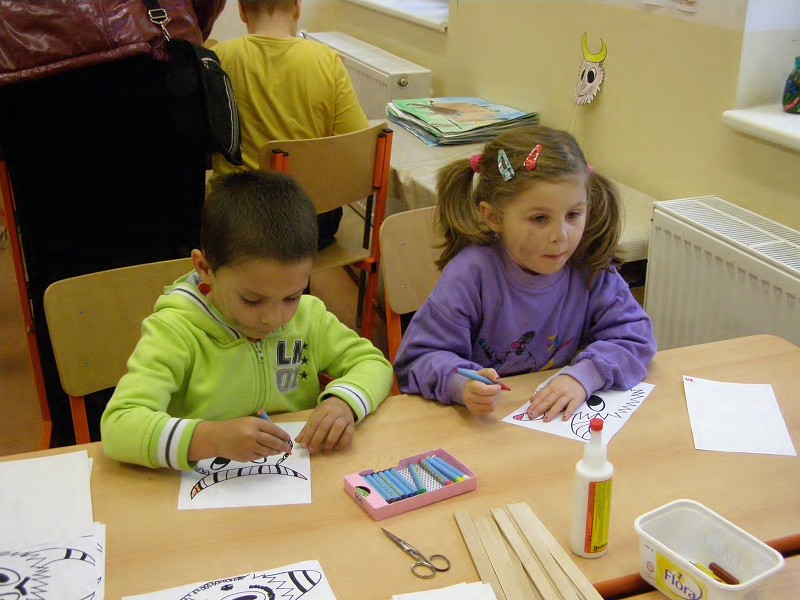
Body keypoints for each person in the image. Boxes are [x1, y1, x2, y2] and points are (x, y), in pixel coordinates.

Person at [0, 0, 225, 446]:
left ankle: (83, 435)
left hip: (28, 71)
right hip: (149, 56)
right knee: (172, 266)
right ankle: (184, 419)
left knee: (64, 279)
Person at [101, 171, 393, 470]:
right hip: (203, 484)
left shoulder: (309, 317)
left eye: (292, 296)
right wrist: (209, 439)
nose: (273, 318)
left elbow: (373, 363)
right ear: (205, 268)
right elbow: (118, 426)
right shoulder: (175, 331)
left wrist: (343, 402)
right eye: (252, 300)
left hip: (296, 474)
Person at [393, 125, 656, 420]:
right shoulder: (470, 275)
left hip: (554, 423)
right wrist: (460, 384)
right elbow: (417, 359)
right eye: (540, 218)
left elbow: (636, 339)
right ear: (493, 217)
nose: (560, 236)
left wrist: (584, 376)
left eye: (573, 215)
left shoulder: (589, 266)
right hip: (484, 424)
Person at [208, 0, 369, 250]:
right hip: (310, 222)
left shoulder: (218, 58)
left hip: (237, 220)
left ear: (241, 10)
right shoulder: (327, 60)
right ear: (297, 7)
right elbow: (357, 142)